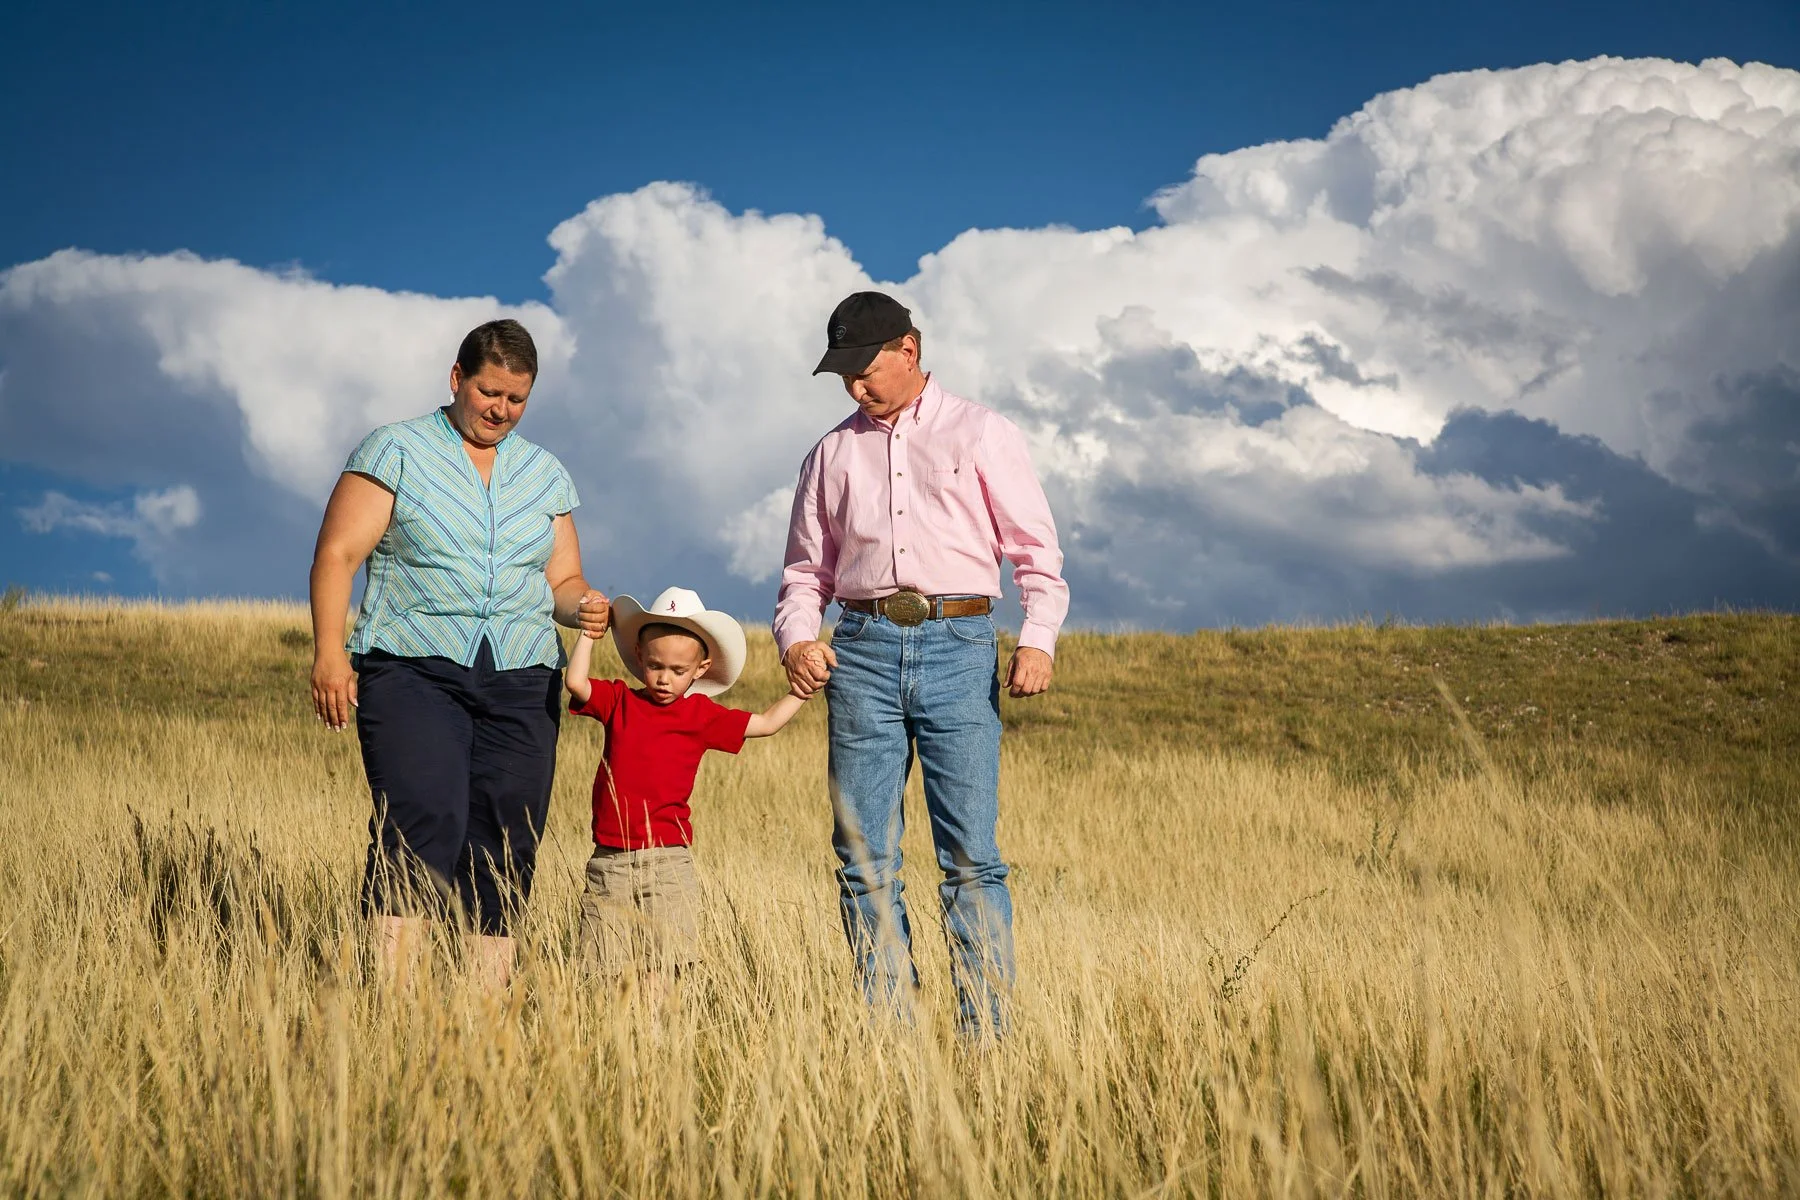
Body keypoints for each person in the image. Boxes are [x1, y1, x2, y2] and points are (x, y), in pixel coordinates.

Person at [775, 291, 1069, 1038]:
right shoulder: (830, 454)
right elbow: (805, 575)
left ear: (909, 349)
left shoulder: (982, 432)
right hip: (862, 651)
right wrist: (798, 641)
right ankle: (889, 1036)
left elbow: (1036, 551)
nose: (856, 388)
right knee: (862, 855)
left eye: (866, 369)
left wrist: (1038, 637)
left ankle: (986, 1038)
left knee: (971, 854)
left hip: (961, 645)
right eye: (844, 375)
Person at [308, 318, 610, 987]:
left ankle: (484, 1023)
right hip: (414, 668)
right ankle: (392, 1008)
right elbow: (338, 554)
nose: (501, 409)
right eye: (489, 392)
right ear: (457, 379)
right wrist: (330, 653)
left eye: (516, 399)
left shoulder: (544, 473)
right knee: (422, 819)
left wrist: (584, 605)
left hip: (524, 677)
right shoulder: (396, 450)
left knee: (508, 839)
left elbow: (562, 581)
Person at [564, 587, 808, 987]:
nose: (663, 679)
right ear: (640, 657)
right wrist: (589, 636)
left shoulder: (700, 715)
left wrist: (800, 692)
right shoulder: (619, 701)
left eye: (678, 671)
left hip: (667, 863)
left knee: (662, 969)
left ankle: (656, 1044)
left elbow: (765, 724)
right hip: (610, 861)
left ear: (701, 669)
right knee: (603, 970)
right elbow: (576, 683)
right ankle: (617, 1042)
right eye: (656, 666)